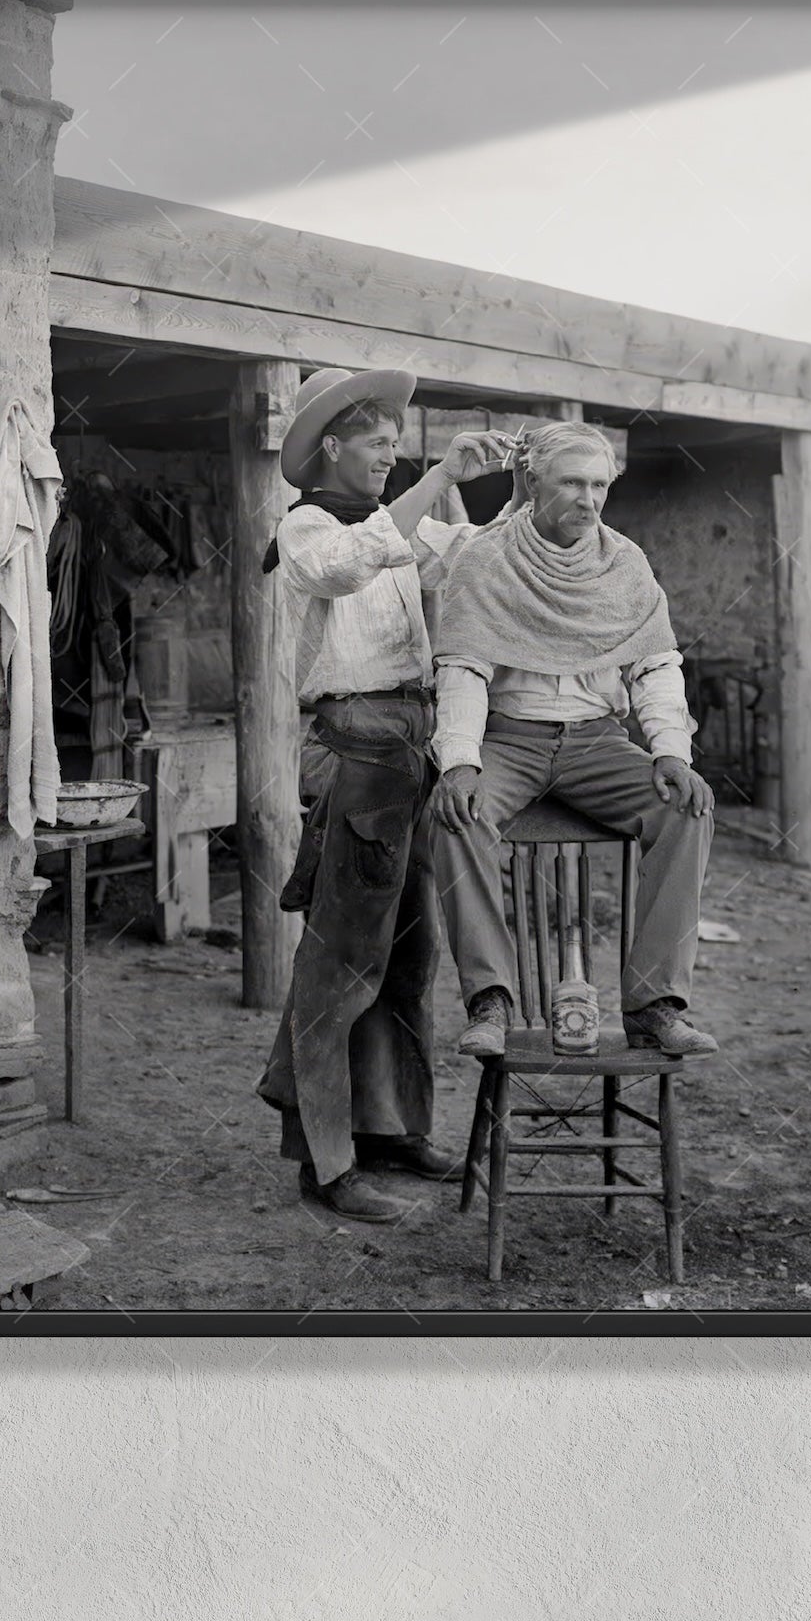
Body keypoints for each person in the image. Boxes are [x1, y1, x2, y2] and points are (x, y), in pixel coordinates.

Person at [255, 368, 514, 1225]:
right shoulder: (304, 528)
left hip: (413, 749)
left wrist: (509, 486)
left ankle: (393, 1127)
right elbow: (347, 564)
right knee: (342, 962)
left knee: (410, 954)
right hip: (354, 750)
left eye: (396, 446)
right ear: (332, 446)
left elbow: (468, 558)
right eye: (376, 443)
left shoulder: (391, 529)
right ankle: (326, 1162)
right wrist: (437, 481)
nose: (388, 457)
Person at [424, 421, 721, 1061]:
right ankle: (492, 1000)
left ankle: (655, 1005)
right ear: (533, 484)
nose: (588, 500)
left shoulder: (625, 563)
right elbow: (464, 668)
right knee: (453, 817)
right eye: (572, 483)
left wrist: (672, 751)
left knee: (685, 808)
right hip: (509, 737)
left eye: (599, 485)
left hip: (598, 740)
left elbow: (655, 665)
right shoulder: (487, 556)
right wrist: (460, 762)